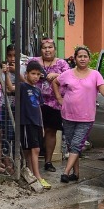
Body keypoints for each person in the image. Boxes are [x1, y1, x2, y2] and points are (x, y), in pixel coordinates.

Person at [55, 46, 104, 184]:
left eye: (85, 56)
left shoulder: (95, 75)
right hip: (68, 115)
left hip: (86, 117)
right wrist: (59, 98)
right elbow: (55, 82)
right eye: (80, 56)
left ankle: (65, 172)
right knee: (71, 145)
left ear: (89, 59)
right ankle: (76, 173)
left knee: (76, 144)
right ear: (75, 59)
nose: (82, 59)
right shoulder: (68, 74)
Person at [34, 38, 69, 172]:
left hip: (54, 103)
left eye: (50, 47)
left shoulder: (62, 63)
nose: (47, 50)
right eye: (44, 48)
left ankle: (48, 162)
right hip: (35, 102)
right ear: (40, 50)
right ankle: (32, 162)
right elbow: (26, 75)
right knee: (35, 131)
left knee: (51, 131)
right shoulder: (34, 62)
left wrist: (57, 75)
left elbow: (69, 78)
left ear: (55, 49)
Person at [18, 60, 49, 189]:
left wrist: (42, 125)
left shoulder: (37, 90)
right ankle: (37, 176)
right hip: (27, 122)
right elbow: (10, 88)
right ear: (26, 74)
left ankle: (30, 174)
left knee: (32, 150)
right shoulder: (22, 87)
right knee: (33, 149)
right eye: (33, 73)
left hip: (36, 123)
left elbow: (39, 109)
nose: (36, 77)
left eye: (38, 74)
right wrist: (8, 73)